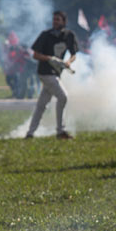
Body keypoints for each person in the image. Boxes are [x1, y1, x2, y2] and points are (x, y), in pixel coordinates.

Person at [25, 11, 78, 140]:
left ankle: (30, 133)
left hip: (57, 73)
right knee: (63, 97)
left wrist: (67, 62)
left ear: (64, 22)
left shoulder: (69, 35)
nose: (55, 22)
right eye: (54, 20)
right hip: (45, 72)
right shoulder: (45, 35)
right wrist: (49, 58)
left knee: (41, 105)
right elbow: (35, 55)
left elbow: (73, 54)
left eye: (58, 20)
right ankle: (61, 131)